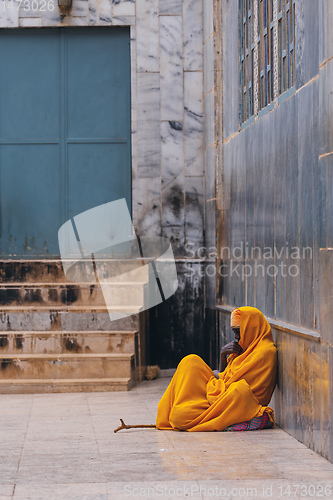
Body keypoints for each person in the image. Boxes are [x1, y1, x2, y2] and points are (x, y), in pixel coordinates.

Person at [156, 306, 277, 431]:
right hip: (220, 395)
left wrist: (213, 384)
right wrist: (223, 355)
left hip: (239, 402)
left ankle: (250, 418)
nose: (236, 337)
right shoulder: (244, 347)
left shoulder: (265, 352)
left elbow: (238, 388)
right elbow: (223, 375)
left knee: (180, 417)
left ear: (251, 328)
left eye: (238, 331)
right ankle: (187, 407)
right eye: (234, 331)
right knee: (190, 361)